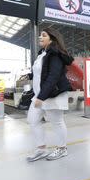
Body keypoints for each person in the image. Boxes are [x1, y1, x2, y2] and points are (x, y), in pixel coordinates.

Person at [26, 28, 74, 162]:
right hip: (40, 94)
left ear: (51, 39)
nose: (40, 37)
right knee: (33, 120)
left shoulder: (55, 53)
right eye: (40, 35)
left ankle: (62, 149)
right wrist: (30, 75)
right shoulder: (42, 53)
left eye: (43, 35)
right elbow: (42, 72)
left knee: (56, 122)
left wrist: (41, 97)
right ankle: (41, 149)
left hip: (53, 94)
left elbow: (53, 76)